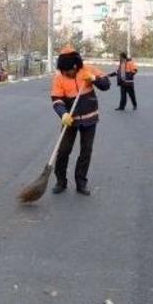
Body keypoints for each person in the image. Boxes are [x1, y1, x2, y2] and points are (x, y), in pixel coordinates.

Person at [50, 45, 111, 196]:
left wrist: (94, 79)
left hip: (90, 118)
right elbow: (56, 100)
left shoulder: (88, 70)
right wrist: (63, 114)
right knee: (63, 150)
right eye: (64, 71)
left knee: (86, 151)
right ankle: (61, 181)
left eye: (69, 70)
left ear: (75, 66)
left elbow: (106, 85)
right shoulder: (59, 78)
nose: (66, 73)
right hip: (70, 120)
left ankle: (81, 182)